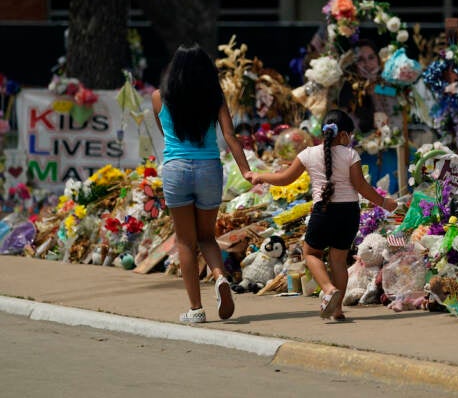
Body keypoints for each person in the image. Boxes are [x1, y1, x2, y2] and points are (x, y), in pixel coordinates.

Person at [253, 109, 398, 320]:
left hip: (324, 212)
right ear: (343, 135)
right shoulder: (351, 155)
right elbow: (361, 186)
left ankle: (328, 290)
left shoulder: (308, 154)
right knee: (338, 260)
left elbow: (284, 179)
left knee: (311, 253)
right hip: (349, 213)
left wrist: (260, 176)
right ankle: (337, 310)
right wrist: (385, 202)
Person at [152, 44, 257, 324]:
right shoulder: (215, 98)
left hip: (176, 169)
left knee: (185, 241)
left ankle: (196, 309)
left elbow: (166, 133)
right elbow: (230, 136)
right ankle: (220, 277)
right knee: (207, 236)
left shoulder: (158, 98)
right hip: (209, 168)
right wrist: (246, 172)